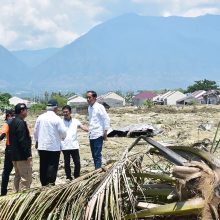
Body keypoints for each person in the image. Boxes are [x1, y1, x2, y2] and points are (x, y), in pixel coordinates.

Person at [34, 99, 66, 186]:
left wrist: (37, 141)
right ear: (55, 108)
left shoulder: (40, 117)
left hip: (42, 146)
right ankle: (51, 183)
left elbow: (35, 131)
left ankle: (43, 183)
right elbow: (63, 132)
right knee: (52, 165)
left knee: (43, 165)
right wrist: (62, 138)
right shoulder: (57, 118)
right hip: (53, 146)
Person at [9, 103, 32, 192]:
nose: (27, 112)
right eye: (26, 110)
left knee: (17, 176)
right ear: (22, 111)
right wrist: (28, 155)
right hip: (22, 157)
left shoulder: (12, 122)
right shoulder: (21, 123)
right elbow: (22, 140)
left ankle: (14, 198)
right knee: (25, 179)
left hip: (15, 156)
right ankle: (23, 199)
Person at [61, 105, 88, 181]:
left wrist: (91, 130)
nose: (65, 113)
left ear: (70, 112)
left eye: (67, 112)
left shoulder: (76, 121)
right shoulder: (60, 122)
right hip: (64, 146)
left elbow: (83, 127)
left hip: (74, 146)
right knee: (67, 163)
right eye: (64, 112)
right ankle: (68, 177)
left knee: (77, 162)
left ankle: (77, 175)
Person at [86, 91, 110, 169]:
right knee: (93, 154)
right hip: (91, 134)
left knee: (97, 154)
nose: (88, 99)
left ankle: (98, 171)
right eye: (87, 97)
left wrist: (105, 132)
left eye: (89, 97)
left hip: (98, 133)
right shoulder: (89, 108)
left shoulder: (99, 107)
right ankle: (97, 169)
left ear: (94, 98)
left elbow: (106, 119)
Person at [0, 109, 15, 196]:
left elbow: (1, 135)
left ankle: (3, 193)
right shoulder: (21, 122)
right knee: (19, 172)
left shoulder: (8, 123)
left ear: (8, 115)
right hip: (20, 151)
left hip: (10, 150)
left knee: (6, 172)